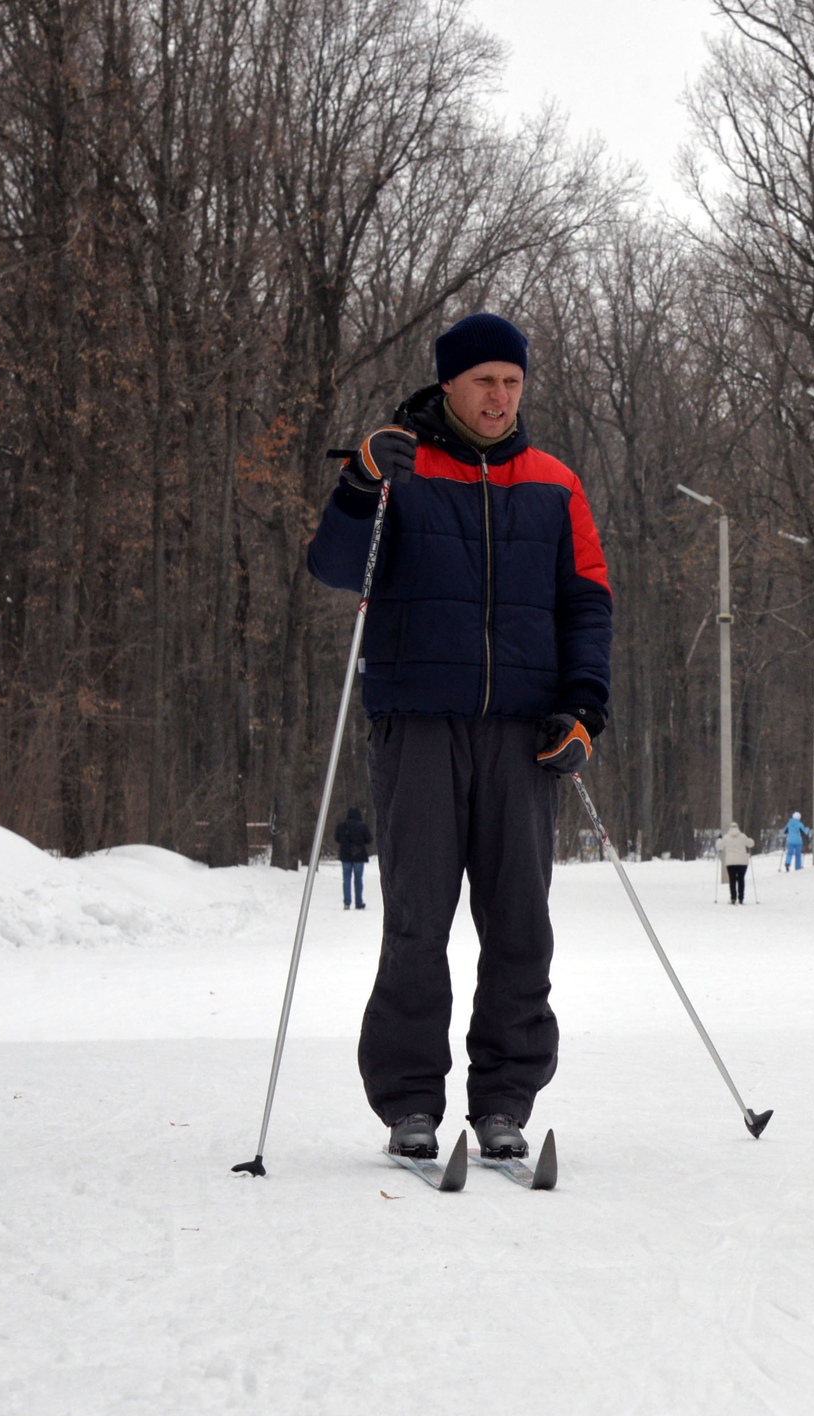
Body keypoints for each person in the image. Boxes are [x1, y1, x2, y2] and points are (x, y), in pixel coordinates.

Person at [304, 311, 613, 1166]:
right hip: (419, 726)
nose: (499, 398)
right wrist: (362, 484)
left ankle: (505, 1099)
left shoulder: (555, 483)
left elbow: (587, 602)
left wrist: (584, 709)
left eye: (512, 383)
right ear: (450, 384)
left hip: (522, 734)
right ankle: (410, 1102)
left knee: (520, 925)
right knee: (416, 921)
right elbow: (334, 566)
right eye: (484, 382)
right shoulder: (401, 468)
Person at [334, 806, 373, 910]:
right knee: (358, 879)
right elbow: (369, 839)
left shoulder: (342, 826)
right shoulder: (362, 826)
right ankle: (358, 902)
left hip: (345, 856)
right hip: (359, 856)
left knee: (346, 879)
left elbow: (337, 838)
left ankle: (347, 902)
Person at [718, 822, 754, 904]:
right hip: (742, 862)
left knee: (732, 879)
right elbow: (751, 844)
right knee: (741, 879)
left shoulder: (726, 837)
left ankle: (733, 898)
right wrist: (750, 839)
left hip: (730, 862)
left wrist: (719, 839)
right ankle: (741, 898)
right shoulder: (743, 836)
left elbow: (719, 847)